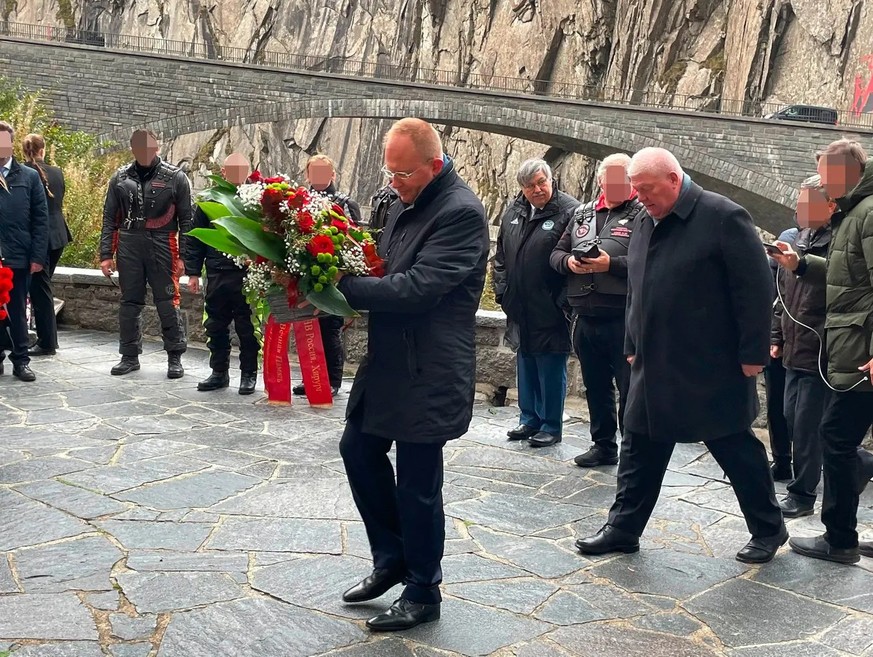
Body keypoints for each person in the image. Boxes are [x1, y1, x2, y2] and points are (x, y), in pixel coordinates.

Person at [575, 147, 787, 564]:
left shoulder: (724, 217)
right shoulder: (644, 218)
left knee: (733, 448)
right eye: (636, 191)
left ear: (674, 179)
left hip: (712, 362)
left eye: (648, 189)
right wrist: (632, 344)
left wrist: (753, 353)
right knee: (638, 445)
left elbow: (756, 290)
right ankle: (623, 528)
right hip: (652, 360)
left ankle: (768, 527)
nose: (641, 198)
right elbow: (637, 286)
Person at [336, 118, 488, 631]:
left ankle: (424, 589)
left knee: (418, 483)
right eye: (390, 171)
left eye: (402, 174)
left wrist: (343, 287)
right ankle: (391, 559)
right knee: (357, 449)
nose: (392, 182)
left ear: (435, 165)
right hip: (389, 363)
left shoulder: (461, 212)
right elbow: (386, 267)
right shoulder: (405, 203)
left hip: (429, 368)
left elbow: (418, 287)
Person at [771, 139, 873, 564]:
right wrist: (800, 265)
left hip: (862, 356)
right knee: (839, 438)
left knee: (835, 437)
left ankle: (840, 539)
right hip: (855, 351)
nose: (820, 187)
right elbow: (843, 274)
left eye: (825, 176)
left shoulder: (867, 213)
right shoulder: (855, 211)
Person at [550, 153, 641, 466]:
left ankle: (633, 451)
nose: (615, 185)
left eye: (622, 179)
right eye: (610, 179)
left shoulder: (643, 215)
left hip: (624, 317)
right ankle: (603, 445)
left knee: (630, 389)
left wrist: (610, 264)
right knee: (596, 386)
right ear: (601, 180)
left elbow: (652, 262)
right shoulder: (582, 213)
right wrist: (569, 263)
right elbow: (556, 254)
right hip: (585, 316)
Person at [493, 159, 578, 447]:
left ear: (551, 181)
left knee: (551, 365)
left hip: (551, 307)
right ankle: (528, 419)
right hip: (518, 303)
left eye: (542, 182)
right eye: (530, 186)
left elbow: (576, 260)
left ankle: (551, 425)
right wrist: (502, 292)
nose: (537, 189)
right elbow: (501, 256)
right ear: (522, 188)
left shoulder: (570, 211)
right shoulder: (514, 211)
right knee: (525, 361)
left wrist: (562, 303)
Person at [100, 129, 193, 378]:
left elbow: (187, 220)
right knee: (129, 301)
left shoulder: (176, 178)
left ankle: (175, 357)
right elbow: (109, 218)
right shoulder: (119, 177)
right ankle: (129, 356)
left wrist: (185, 256)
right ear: (132, 149)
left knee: (167, 300)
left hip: (164, 243)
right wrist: (106, 254)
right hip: (129, 242)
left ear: (158, 147)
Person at [770, 175, 833, 518]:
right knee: (791, 415)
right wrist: (776, 337)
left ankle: (803, 494)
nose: (799, 210)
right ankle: (858, 464)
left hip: (820, 345)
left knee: (807, 423)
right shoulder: (798, 238)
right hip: (793, 344)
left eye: (807, 204)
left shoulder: (836, 241)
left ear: (830, 207)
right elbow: (781, 297)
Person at [185, 153, 259, 395]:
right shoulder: (209, 200)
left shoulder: (256, 200)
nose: (236, 174)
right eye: (231, 170)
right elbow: (195, 239)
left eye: (241, 169)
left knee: (247, 328)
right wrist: (193, 273)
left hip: (246, 275)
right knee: (215, 326)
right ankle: (219, 372)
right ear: (223, 173)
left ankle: (249, 374)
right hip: (216, 273)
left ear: (247, 171)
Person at [293, 154, 363, 397]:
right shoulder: (298, 200)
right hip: (304, 273)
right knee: (306, 328)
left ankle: (332, 379)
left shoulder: (344, 202)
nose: (319, 177)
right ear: (308, 175)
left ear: (333, 175)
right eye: (315, 172)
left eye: (325, 172)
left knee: (330, 330)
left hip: (332, 274)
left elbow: (357, 241)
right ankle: (310, 377)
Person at [0, 121, 48, 382]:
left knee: (17, 311)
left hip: (18, 256)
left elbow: (41, 219)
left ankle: (21, 360)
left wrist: (38, 256)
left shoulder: (29, 177)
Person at [22, 133, 72, 357]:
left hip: (38, 239)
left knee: (40, 289)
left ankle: (47, 341)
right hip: (58, 236)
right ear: (43, 150)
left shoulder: (22, 174)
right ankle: (43, 336)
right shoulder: (57, 172)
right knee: (42, 287)